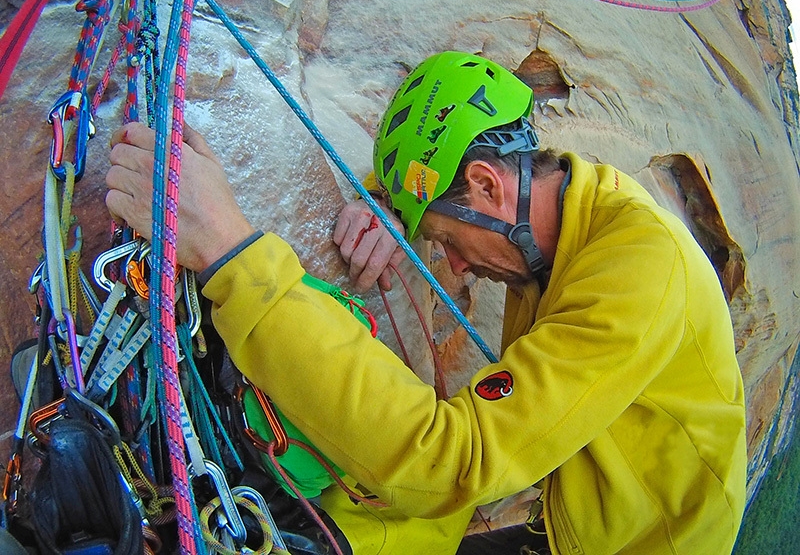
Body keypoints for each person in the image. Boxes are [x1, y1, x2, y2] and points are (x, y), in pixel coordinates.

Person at [105, 51, 747, 555]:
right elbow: (455, 119)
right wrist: (394, 207)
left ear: (489, 186)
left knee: (434, 499)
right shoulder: (570, 199)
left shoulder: (640, 270)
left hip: (641, 546)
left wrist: (231, 255)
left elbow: (450, 460)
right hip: (588, 514)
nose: (457, 265)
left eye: (444, 240)